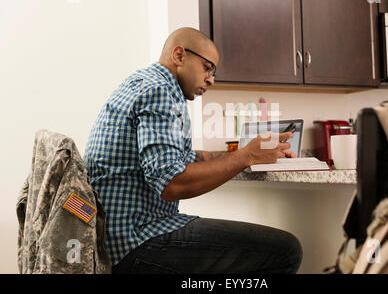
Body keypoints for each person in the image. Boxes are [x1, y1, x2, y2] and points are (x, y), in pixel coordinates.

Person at [83, 27, 302, 274]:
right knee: (286, 251)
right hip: (137, 240)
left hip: (115, 237)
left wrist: (250, 152)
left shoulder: (142, 82)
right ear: (179, 55)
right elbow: (172, 184)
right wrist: (246, 156)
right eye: (208, 67)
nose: (211, 79)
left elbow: (179, 158)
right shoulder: (160, 92)